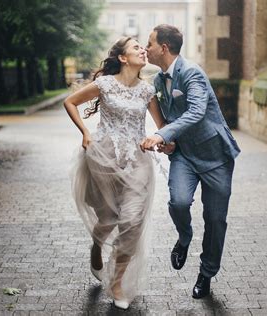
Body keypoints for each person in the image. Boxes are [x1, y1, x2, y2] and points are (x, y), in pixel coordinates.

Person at [64, 37, 169, 309]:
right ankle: (97, 245)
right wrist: (85, 132)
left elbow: (161, 126)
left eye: (143, 48)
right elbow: (70, 102)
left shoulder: (147, 91)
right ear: (123, 58)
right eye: (136, 47)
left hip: (137, 160)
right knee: (109, 217)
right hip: (104, 156)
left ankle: (117, 281)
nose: (142, 50)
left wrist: (162, 139)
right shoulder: (104, 84)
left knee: (132, 220)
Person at [141, 24, 241, 299]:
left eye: (149, 43)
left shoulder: (192, 73)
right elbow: (172, 117)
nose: (146, 48)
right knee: (179, 202)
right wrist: (168, 141)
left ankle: (206, 274)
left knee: (216, 219)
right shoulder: (159, 81)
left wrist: (162, 133)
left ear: (163, 47)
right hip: (184, 154)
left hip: (215, 156)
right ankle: (184, 237)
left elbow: (196, 111)